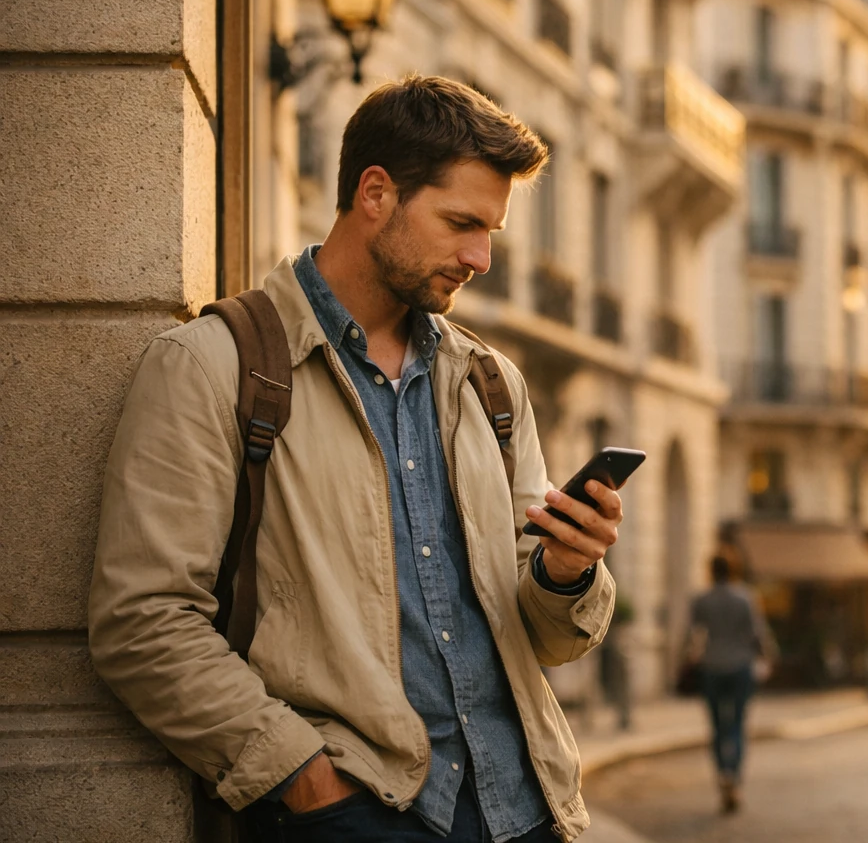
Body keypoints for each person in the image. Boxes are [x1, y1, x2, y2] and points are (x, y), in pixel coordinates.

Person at [88, 75, 622, 842]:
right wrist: (303, 779)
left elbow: (550, 639)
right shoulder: (212, 366)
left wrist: (564, 572)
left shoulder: (491, 384)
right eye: (461, 223)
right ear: (375, 193)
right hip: (360, 814)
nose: (481, 257)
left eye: (492, 232)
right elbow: (142, 620)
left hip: (525, 813)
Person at [688, 555, 777, 814]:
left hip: (712, 666)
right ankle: (733, 776)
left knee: (717, 726)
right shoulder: (745, 597)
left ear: (711, 571)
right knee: (737, 724)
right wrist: (768, 655)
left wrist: (687, 660)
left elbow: (692, 635)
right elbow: (757, 632)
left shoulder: (702, 599)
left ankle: (722, 773)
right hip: (741, 666)